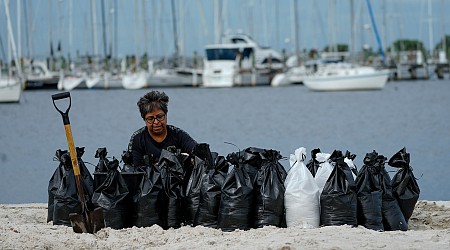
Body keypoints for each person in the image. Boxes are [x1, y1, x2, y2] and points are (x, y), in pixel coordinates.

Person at [128, 90, 198, 167]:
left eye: (160, 117)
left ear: (166, 114)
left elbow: (198, 151)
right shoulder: (138, 139)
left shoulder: (178, 135)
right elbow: (133, 169)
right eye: (150, 119)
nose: (156, 122)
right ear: (144, 119)